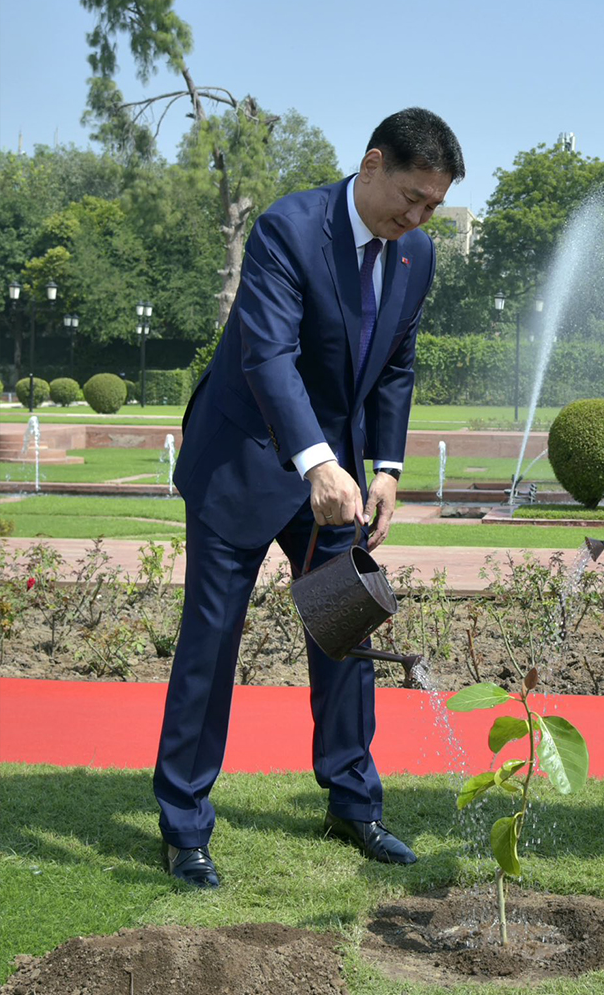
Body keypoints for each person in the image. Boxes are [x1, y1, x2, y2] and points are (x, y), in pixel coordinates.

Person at [153, 107, 464, 888]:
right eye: (412, 197)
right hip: (244, 461)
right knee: (210, 645)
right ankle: (184, 826)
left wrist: (385, 467)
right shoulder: (287, 230)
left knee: (347, 634)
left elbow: (396, 366)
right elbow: (268, 356)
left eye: (433, 205)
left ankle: (353, 806)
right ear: (372, 164)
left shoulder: (415, 255)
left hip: (342, 480)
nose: (419, 217)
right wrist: (319, 463)